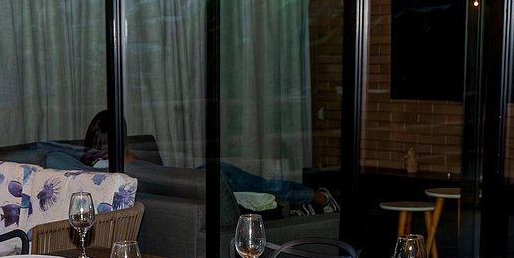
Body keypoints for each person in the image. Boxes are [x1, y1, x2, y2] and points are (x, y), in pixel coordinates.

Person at [79, 111, 334, 211]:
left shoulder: (90, 169)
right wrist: (127, 154)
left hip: (186, 183)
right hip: (192, 185)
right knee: (262, 185)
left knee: (258, 185)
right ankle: (315, 197)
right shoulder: (124, 167)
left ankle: (304, 201)